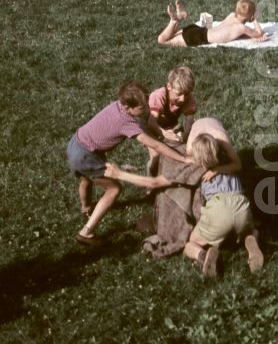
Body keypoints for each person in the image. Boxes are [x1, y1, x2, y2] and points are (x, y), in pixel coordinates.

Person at [68, 81, 190, 245]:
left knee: (86, 178)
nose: (146, 109)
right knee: (114, 188)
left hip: (76, 143)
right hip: (86, 155)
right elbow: (154, 144)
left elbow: (146, 119)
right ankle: (86, 232)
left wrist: (162, 132)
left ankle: (86, 207)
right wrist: (183, 158)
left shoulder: (116, 106)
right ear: (127, 107)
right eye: (141, 108)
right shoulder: (126, 123)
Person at [183, 128, 264, 276]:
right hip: (240, 206)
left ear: (198, 159)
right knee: (252, 229)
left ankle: (202, 254)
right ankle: (251, 240)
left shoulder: (199, 172)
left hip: (218, 209)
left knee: (190, 243)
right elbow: (237, 164)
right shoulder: (229, 166)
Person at [157, 0, 267, 47]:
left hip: (198, 30)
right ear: (250, 16)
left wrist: (248, 36)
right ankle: (174, 20)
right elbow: (258, 33)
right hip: (199, 37)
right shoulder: (241, 28)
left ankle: (176, 20)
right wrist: (256, 19)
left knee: (163, 38)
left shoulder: (231, 15)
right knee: (163, 42)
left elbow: (231, 33)